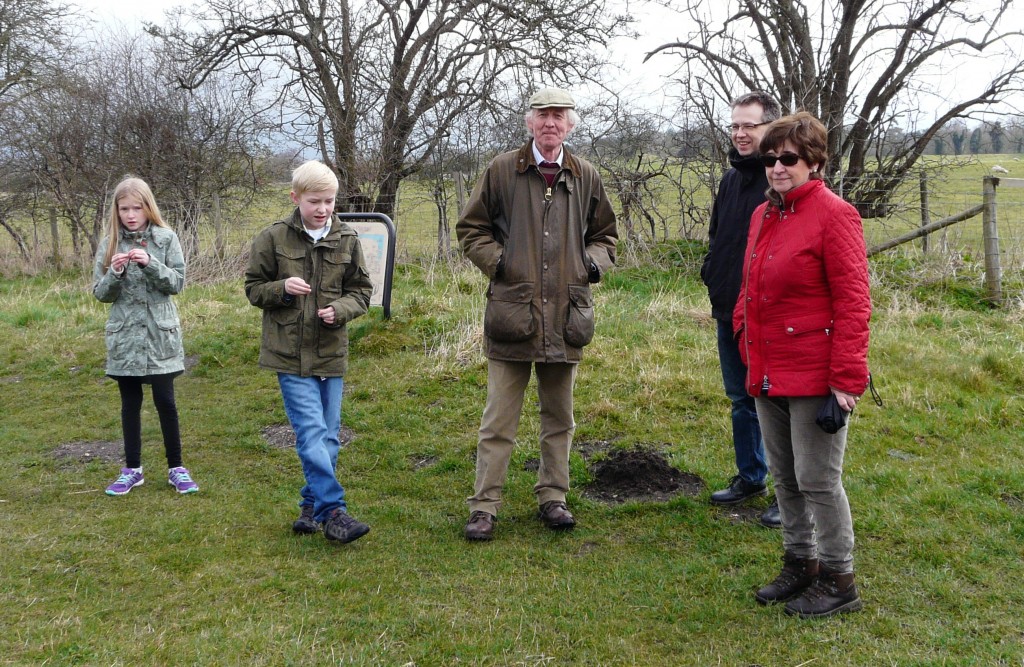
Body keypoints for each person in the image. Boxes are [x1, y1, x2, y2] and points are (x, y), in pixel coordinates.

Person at [456, 87, 617, 541]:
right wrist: (501, 262)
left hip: (566, 316)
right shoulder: (503, 170)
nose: (550, 123)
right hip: (513, 312)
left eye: (558, 116)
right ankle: (484, 506)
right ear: (529, 122)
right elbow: (471, 229)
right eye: (542, 115)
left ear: (570, 124)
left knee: (559, 419)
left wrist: (589, 265)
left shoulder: (585, 174)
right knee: (498, 421)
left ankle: (553, 498)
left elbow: (606, 236)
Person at [734, 112, 871, 618]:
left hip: (815, 372)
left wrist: (846, 382)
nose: (776, 167)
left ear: (813, 161)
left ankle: (840, 578)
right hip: (767, 368)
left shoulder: (836, 215)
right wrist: (742, 332)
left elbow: (854, 302)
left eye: (788, 158)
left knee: (818, 479)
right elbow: (751, 287)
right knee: (786, 478)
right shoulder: (763, 214)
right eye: (770, 158)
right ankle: (801, 563)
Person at [244, 160, 374, 544]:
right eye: (314, 201)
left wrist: (342, 310)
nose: (322, 209)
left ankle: (309, 503)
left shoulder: (347, 239)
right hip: (288, 354)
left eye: (329, 201)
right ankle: (334, 511)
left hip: (331, 354)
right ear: (295, 198)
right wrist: (282, 287)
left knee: (329, 437)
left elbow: (362, 292)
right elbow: (254, 289)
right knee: (311, 432)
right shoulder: (272, 239)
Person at [700, 91, 782, 528]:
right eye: (735, 125)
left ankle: (789, 494)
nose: (740, 133)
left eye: (749, 125)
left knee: (776, 402)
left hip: (767, 317)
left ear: (770, 127)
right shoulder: (732, 179)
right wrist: (711, 271)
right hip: (727, 308)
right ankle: (752, 476)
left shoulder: (781, 181)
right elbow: (718, 235)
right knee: (740, 398)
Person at [93, 177, 199, 497]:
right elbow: (100, 293)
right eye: (124, 208)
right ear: (117, 210)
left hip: (159, 335)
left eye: (136, 207)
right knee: (130, 403)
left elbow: (177, 283)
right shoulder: (110, 243)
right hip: (124, 338)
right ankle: (132, 470)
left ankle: (176, 468)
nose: (130, 214)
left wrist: (151, 264)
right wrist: (115, 272)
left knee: (165, 401)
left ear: (148, 207)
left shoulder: (166, 239)